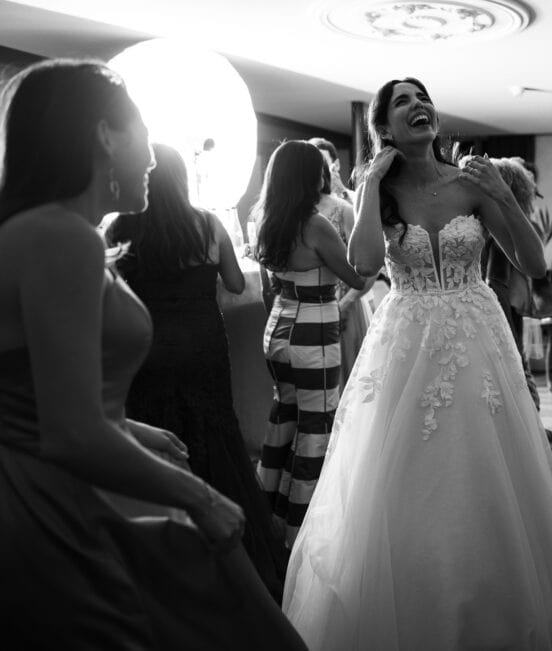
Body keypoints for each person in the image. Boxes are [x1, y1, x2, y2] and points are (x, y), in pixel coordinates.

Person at [282, 77, 552, 650]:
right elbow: (365, 264)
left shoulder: (471, 183)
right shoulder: (381, 194)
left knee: (487, 465)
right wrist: (367, 184)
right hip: (407, 339)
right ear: (385, 129)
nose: (419, 105)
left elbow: (534, 262)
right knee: (404, 478)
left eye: (423, 97)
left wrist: (499, 194)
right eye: (403, 101)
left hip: (476, 334)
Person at [0, 59, 303, 649]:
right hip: (48, 496)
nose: (151, 156)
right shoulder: (59, 237)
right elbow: (70, 432)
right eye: (141, 130)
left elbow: (34, 389)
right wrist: (201, 496)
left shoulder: (57, 233)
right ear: (105, 134)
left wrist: (136, 430)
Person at [105, 142, 288, 600]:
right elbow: (231, 282)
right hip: (203, 342)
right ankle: (234, 551)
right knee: (215, 432)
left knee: (156, 429)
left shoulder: (119, 226)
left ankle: (166, 548)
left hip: (147, 343)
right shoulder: (207, 223)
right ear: (183, 178)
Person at [253, 140, 368, 546]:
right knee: (316, 424)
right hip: (313, 328)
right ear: (311, 174)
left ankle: (265, 511)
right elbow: (359, 277)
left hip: (278, 326)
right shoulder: (315, 224)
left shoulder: (264, 219)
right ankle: (299, 531)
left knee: (283, 417)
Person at [482, 155, 552, 476]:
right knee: (519, 389)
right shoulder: (497, 226)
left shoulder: (494, 223)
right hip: (494, 315)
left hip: (500, 312)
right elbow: (496, 284)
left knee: (516, 390)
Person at [311, 151, 373, 388]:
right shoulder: (296, 213)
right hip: (312, 306)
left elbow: (367, 266)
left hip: (346, 301)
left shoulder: (343, 209)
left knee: (348, 380)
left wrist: (345, 304)